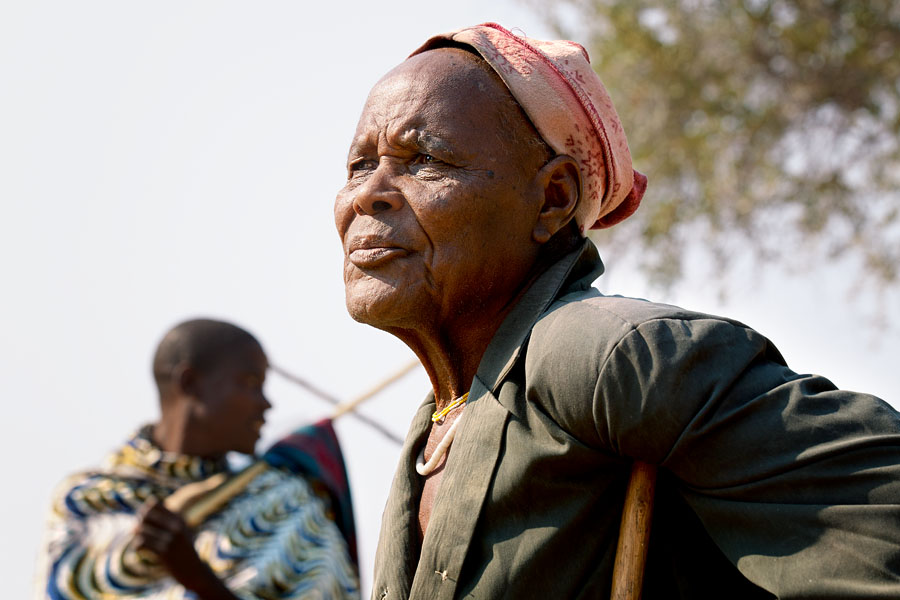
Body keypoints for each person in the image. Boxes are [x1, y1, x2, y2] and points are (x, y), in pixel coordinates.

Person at [334, 22, 900, 599]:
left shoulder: (600, 351)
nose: (366, 195)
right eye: (359, 165)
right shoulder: (437, 422)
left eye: (423, 158)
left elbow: (877, 499)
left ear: (553, 198)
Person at [36, 318, 360, 600]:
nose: (266, 404)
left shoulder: (287, 504)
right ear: (189, 383)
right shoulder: (87, 501)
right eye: (250, 384)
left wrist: (196, 577)